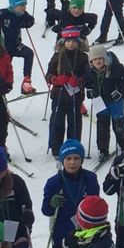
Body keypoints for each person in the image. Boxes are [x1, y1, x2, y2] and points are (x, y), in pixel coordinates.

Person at [0, 0, 39, 96]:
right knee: (5, 71)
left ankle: (26, 82)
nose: (24, 7)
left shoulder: (22, 14)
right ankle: (0, 92)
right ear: (13, 6)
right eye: (21, 5)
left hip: (16, 45)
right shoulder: (4, 13)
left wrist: (27, 23)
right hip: (4, 48)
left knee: (29, 53)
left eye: (25, 5)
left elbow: (30, 20)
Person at [85, 44, 124, 160]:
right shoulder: (90, 70)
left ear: (105, 59)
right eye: (94, 59)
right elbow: (87, 80)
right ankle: (103, 149)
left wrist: (120, 91)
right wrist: (90, 89)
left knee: (118, 123)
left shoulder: (115, 68)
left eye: (100, 59)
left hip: (115, 100)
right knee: (102, 124)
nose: (97, 62)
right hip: (99, 100)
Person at [45, 26, 88, 155]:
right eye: (68, 41)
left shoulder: (83, 57)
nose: (71, 44)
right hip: (59, 93)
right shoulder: (57, 56)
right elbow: (49, 74)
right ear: (63, 42)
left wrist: (79, 80)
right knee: (57, 120)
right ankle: (55, 146)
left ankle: (74, 145)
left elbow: (88, 75)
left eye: (74, 41)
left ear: (78, 42)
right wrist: (55, 79)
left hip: (75, 94)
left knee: (74, 121)